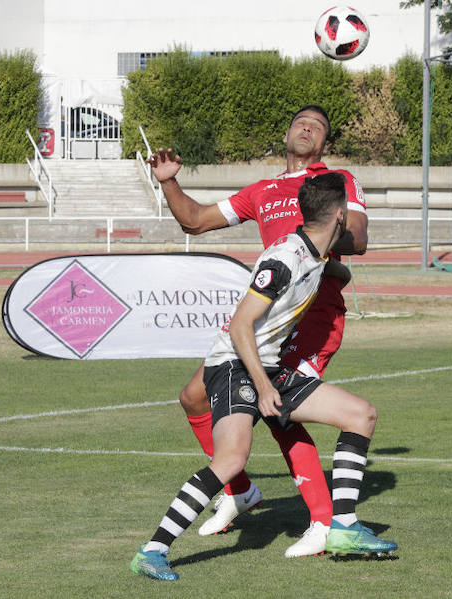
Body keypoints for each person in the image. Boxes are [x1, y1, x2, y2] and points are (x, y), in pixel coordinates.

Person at [130, 173, 396, 581]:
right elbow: (239, 327)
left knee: (361, 415)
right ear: (341, 215)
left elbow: (328, 272)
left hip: (268, 366)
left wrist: (340, 277)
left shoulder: (316, 253)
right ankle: (152, 551)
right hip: (235, 364)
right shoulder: (284, 257)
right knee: (231, 459)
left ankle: (342, 529)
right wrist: (265, 385)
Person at [144, 105, 368, 557]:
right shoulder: (262, 190)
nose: (307, 128)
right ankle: (241, 491)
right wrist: (168, 181)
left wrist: (311, 247)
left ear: (324, 144)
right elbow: (195, 220)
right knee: (194, 396)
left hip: (315, 314)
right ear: (286, 133)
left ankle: (325, 524)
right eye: (301, 122)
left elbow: (358, 238)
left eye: (318, 127)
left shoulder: (333, 182)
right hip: (269, 316)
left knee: (278, 409)